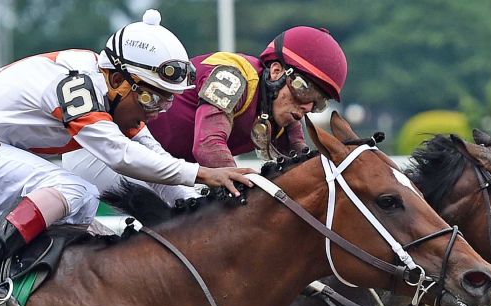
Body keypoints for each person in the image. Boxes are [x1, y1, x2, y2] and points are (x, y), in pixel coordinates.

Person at [0, 10, 253, 306]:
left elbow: (158, 167)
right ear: (117, 79)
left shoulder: (116, 97)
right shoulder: (76, 81)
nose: (158, 112)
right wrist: (205, 172)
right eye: (150, 97)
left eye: (166, 102)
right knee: (73, 188)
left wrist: (215, 215)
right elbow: (121, 156)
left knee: (82, 207)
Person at [63, 26, 347, 196]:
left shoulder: (286, 110)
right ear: (276, 71)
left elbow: (304, 167)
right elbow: (209, 148)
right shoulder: (234, 76)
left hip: (161, 165)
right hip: (105, 152)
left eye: (318, 102)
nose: (308, 107)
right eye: (305, 90)